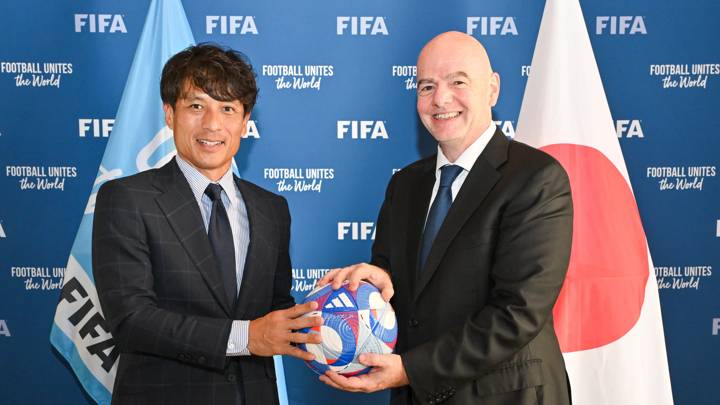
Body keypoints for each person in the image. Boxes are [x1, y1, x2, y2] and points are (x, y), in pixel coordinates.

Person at [318, 31, 573, 405]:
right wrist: (380, 280)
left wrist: (410, 370)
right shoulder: (405, 185)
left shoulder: (537, 179)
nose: (441, 98)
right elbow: (403, 287)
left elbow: (516, 313)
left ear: (492, 89)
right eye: (426, 86)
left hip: (505, 397)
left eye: (458, 82)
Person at [92, 43, 321, 405]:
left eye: (227, 109)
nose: (212, 124)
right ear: (169, 114)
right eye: (196, 106)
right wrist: (246, 336)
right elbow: (131, 320)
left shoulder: (272, 209)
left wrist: (337, 321)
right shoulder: (126, 199)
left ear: (245, 123)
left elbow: (276, 314)